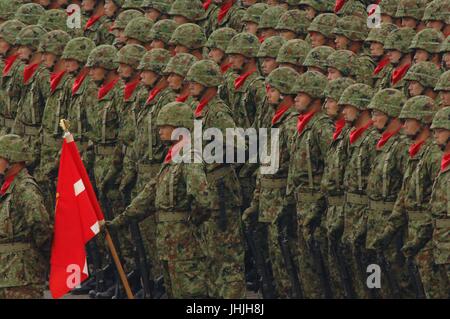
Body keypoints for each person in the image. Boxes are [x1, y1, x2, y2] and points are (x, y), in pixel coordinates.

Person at [0, 134, 52, 299]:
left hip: (23, 277)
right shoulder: (9, 186)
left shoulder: (25, 189)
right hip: (8, 274)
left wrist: (37, 257)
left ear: (12, 160)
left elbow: (41, 227)